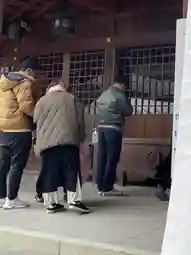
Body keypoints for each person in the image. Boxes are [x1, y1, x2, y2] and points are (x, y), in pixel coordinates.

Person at [33, 79, 90, 214]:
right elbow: (80, 120)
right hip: (68, 141)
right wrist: (81, 138)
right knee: (71, 170)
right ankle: (73, 200)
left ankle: (51, 204)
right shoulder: (72, 99)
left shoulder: (41, 101)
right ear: (62, 87)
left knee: (49, 172)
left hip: (46, 144)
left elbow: (35, 120)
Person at [0, 58, 39, 210]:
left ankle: (2, 197)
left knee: (3, 165)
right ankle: (12, 198)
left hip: (3, 129)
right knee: (17, 164)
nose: (36, 76)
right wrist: (38, 116)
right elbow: (26, 106)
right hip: (19, 129)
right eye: (36, 72)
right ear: (29, 70)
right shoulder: (24, 82)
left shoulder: (2, 82)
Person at [95, 75, 133, 196]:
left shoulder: (104, 94)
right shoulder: (119, 95)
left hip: (101, 128)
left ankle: (100, 186)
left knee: (102, 157)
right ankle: (107, 188)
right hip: (113, 129)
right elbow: (128, 111)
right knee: (112, 158)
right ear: (122, 85)